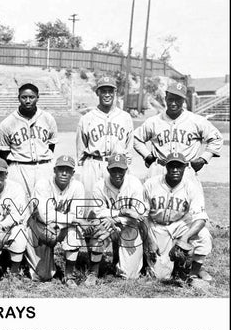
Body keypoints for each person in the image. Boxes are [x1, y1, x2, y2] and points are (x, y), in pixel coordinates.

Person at [143, 152, 212, 285]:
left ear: (185, 167)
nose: (175, 169)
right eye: (172, 166)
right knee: (161, 276)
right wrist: (149, 240)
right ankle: (158, 263)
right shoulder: (150, 184)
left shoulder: (191, 186)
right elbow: (143, 216)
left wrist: (184, 238)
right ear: (165, 166)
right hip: (157, 226)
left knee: (203, 235)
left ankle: (193, 271)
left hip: (180, 224)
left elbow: (201, 219)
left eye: (179, 166)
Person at [134, 80, 223, 182]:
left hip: (186, 170)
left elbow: (217, 138)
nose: (173, 103)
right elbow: (137, 138)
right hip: (159, 169)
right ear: (165, 97)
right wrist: (147, 156)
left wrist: (203, 159)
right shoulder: (153, 121)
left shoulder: (196, 121)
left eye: (178, 100)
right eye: (171, 99)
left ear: (183, 100)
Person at [87, 153, 149, 282]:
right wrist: (122, 211)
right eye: (114, 169)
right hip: (108, 224)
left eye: (120, 170)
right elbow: (98, 212)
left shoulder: (135, 184)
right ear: (108, 169)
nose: (117, 173)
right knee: (98, 228)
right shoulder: (100, 185)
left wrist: (116, 219)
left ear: (126, 169)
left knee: (129, 276)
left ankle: (127, 259)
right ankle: (93, 272)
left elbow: (138, 215)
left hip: (129, 226)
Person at [26, 155, 86, 286]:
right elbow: (45, 215)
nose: (64, 173)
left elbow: (77, 214)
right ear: (54, 170)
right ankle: (28, 261)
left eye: (68, 170)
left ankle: (69, 275)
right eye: (61, 169)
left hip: (63, 227)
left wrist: (60, 222)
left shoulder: (78, 186)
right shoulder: (43, 184)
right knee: (42, 276)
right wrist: (71, 219)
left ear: (73, 173)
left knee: (74, 233)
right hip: (40, 226)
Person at [76, 76, 134, 197]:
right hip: (93, 166)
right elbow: (80, 151)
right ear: (98, 93)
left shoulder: (125, 118)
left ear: (115, 92)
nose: (107, 94)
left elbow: (128, 150)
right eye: (103, 91)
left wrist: (125, 168)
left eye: (110, 91)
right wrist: (85, 169)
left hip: (117, 167)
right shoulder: (86, 118)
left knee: (117, 204)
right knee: (90, 205)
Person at [0, 82, 58, 198]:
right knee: (21, 203)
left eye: (32, 97)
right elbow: (4, 154)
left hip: (43, 167)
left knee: (45, 202)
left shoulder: (48, 119)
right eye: (24, 97)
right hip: (19, 168)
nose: (28, 101)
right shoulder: (7, 123)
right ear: (19, 98)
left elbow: (51, 145)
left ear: (37, 98)